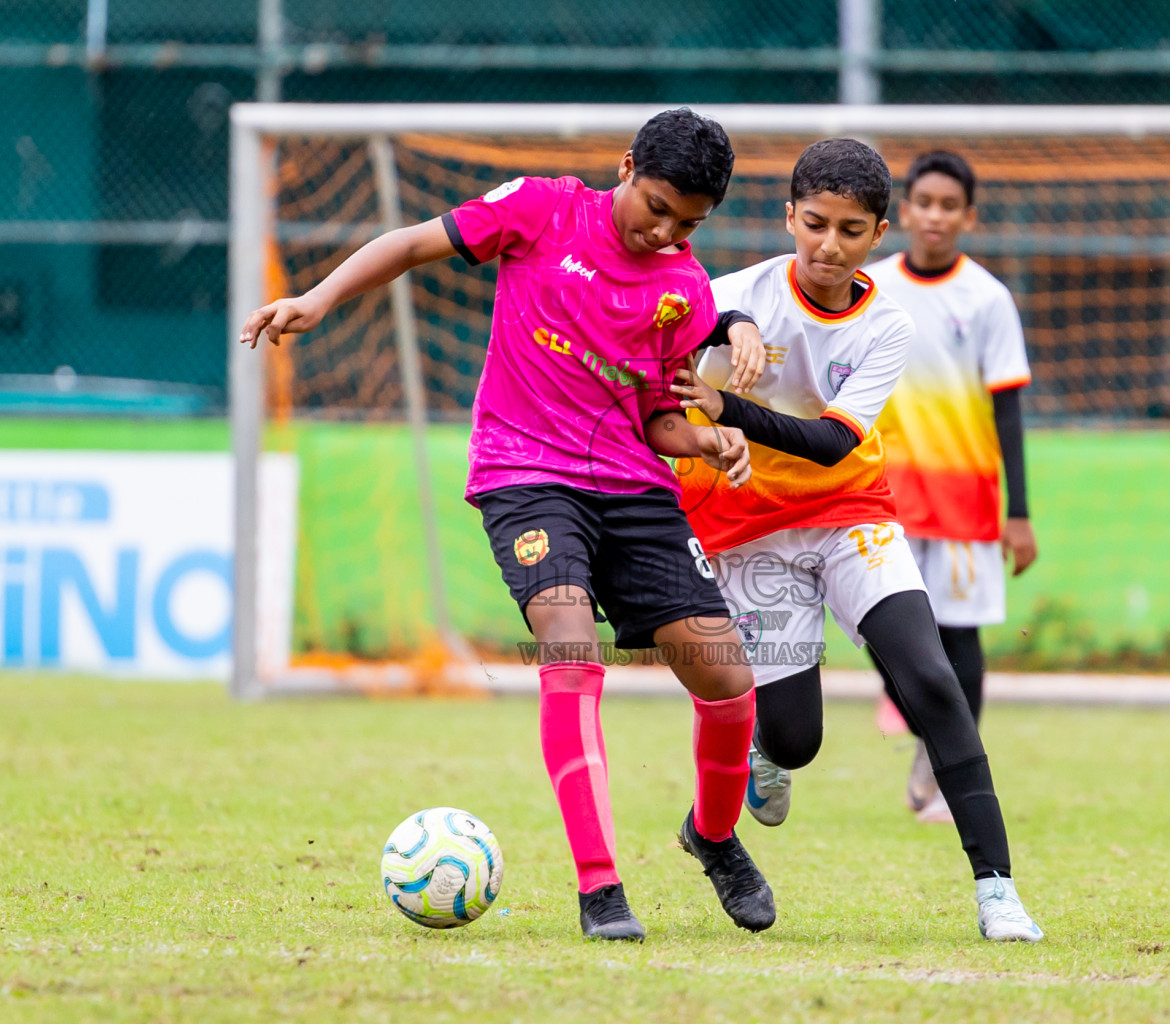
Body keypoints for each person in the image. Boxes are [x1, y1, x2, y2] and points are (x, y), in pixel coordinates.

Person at [239, 109, 777, 942]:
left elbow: (658, 422)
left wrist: (711, 439)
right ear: (627, 165)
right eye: (658, 206)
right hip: (525, 477)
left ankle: (711, 835)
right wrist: (317, 297)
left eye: (689, 222)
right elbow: (413, 244)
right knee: (568, 646)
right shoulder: (540, 208)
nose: (666, 231)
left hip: (633, 491)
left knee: (729, 681)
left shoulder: (684, 289)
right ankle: (601, 889)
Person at [672, 138, 1043, 942]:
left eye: (849, 230)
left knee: (932, 679)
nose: (828, 246)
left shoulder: (887, 324)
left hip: (852, 517)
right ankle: (765, 755)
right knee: (797, 741)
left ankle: (997, 891)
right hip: (745, 534)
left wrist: (726, 407)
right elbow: (663, 350)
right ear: (787, 218)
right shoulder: (733, 293)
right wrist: (717, 340)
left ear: (880, 233)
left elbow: (834, 444)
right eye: (813, 225)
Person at [864, 152, 1038, 825]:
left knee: (960, 642)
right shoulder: (871, 289)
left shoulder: (987, 298)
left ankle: (945, 775)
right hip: (881, 499)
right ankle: (928, 739)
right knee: (884, 639)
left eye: (948, 205)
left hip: (964, 502)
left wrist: (1017, 514)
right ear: (903, 212)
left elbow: (1009, 410)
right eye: (923, 202)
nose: (934, 216)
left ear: (968, 216)